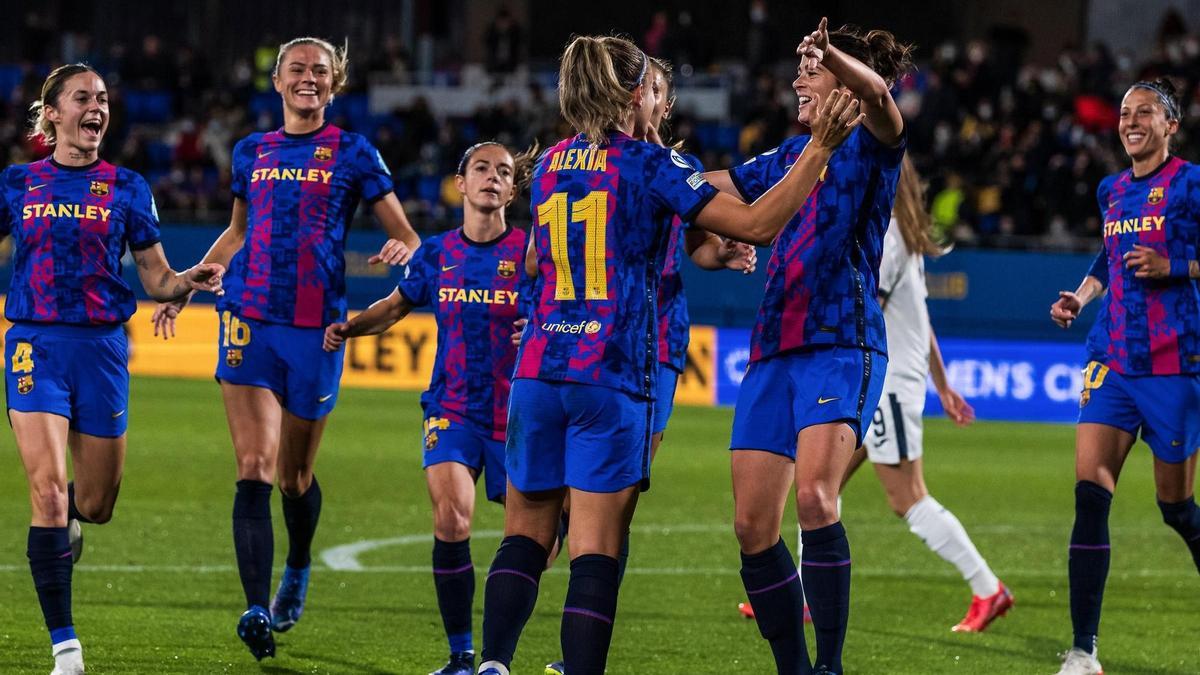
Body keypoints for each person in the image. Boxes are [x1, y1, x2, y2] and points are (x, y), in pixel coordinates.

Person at [475, 33, 864, 675]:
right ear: (635, 93)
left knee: (525, 534)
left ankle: (491, 663)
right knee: (596, 549)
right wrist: (820, 147)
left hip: (539, 368)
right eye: (653, 88)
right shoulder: (653, 166)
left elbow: (541, 261)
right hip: (612, 372)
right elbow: (762, 224)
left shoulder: (545, 167)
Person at [155, 37, 421, 661]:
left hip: (317, 330)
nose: (308, 79)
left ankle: (297, 565)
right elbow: (238, 231)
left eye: (320, 72)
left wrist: (404, 253)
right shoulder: (252, 150)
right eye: (297, 70)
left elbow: (406, 235)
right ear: (276, 80)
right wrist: (188, 284)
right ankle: (255, 608)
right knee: (252, 466)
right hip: (248, 317)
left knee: (293, 477)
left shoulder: (356, 152)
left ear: (336, 83)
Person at [1, 63, 223, 675]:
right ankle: (65, 650)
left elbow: (155, 277)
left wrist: (187, 282)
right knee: (44, 492)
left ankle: (74, 515)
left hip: (102, 350)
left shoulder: (127, 187)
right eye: (82, 98)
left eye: (102, 99)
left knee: (94, 504)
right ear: (52, 114)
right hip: (34, 343)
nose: (96, 107)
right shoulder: (18, 183)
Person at [704, 18, 910, 674]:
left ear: (844, 78)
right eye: (802, 63)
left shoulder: (875, 142)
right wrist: (644, 163)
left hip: (841, 342)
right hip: (773, 346)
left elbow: (880, 98)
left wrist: (837, 56)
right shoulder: (787, 156)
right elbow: (705, 189)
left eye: (811, 66)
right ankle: (794, 667)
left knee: (818, 497)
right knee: (751, 527)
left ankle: (830, 665)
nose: (798, 76)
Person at [541, 56, 758, 675]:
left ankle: (575, 651)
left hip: (656, 341)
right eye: (647, 86)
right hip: (590, 334)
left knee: (623, 491)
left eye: (661, 89)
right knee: (576, 498)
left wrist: (725, 253)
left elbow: (698, 249)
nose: (653, 97)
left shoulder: (678, 169)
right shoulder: (601, 162)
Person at [322, 141, 532, 675]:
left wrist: (541, 329)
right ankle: (463, 655)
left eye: (503, 172)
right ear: (460, 183)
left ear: (512, 189)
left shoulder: (531, 254)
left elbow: (564, 311)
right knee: (452, 517)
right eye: (481, 169)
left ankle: (497, 651)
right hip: (452, 408)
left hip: (520, 418)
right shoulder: (437, 254)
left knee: (532, 542)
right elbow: (393, 308)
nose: (492, 178)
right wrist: (352, 325)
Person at [1048, 78, 1200, 675]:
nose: (1131, 121)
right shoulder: (1110, 190)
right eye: (1125, 113)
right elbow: (1105, 259)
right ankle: (1084, 651)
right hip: (1111, 359)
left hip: (1173, 366)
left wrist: (1178, 266)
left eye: (1145, 113)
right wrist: (1081, 298)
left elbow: (1177, 263)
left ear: (1171, 126)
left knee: (1177, 509)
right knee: (1090, 497)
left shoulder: (1190, 183)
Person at [845, 155, 1011, 631]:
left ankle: (988, 588)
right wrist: (943, 384)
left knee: (907, 498)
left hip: (887, 383)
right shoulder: (897, 232)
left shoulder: (888, 235)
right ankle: (805, 593)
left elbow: (864, 313)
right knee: (820, 486)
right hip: (885, 377)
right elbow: (919, 320)